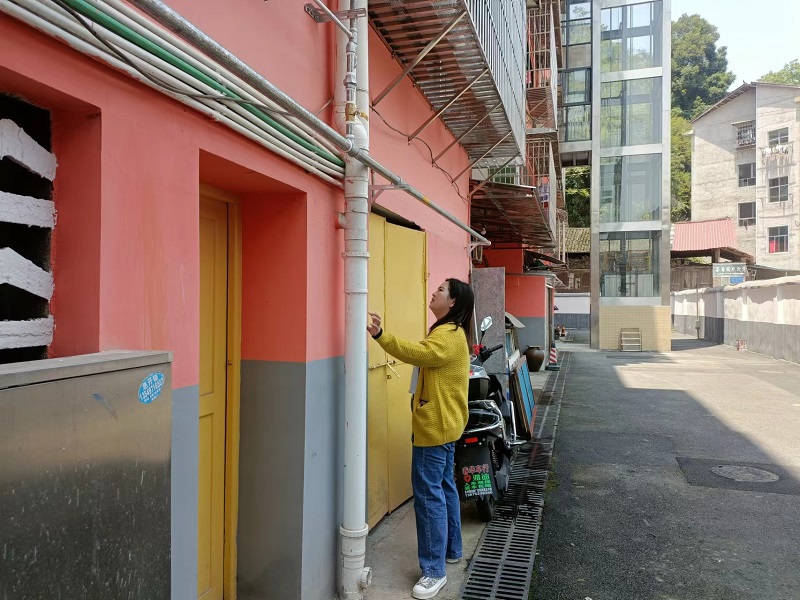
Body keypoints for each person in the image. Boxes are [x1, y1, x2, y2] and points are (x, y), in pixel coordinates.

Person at [368, 278, 474, 600]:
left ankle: (434, 572)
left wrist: (381, 335)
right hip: (446, 426)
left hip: (435, 428)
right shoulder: (451, 331)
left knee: (429, 498)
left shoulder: (447, 335)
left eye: (440, 290)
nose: (434, 292)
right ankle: (452, 550)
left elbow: (416, 353)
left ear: (453, 302)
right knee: (444, 487)